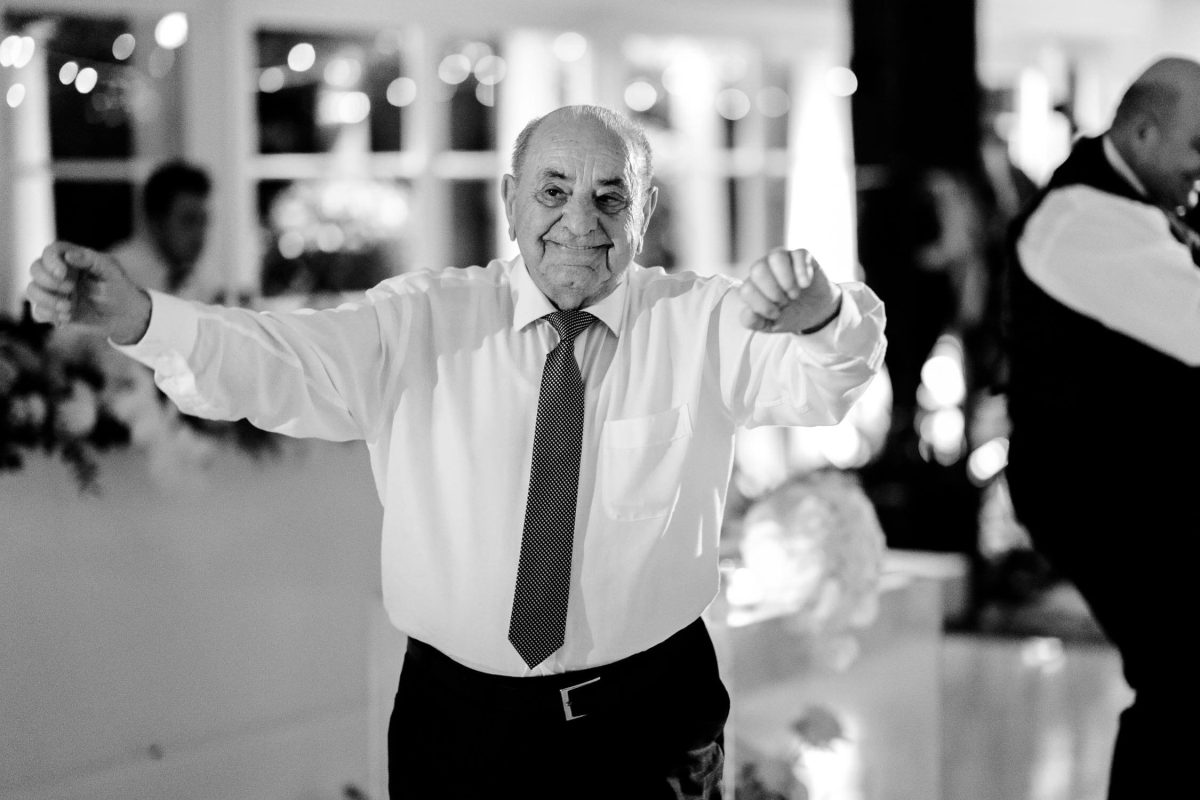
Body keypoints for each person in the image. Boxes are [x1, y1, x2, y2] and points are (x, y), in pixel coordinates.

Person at [25, 104, 887, 799]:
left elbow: (828, 382)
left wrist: (819, 316)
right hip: (460, 723)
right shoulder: (422, 321)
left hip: (652, 722)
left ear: (646, 210)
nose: (579, 221)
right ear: (510, 199)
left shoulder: (701, 323)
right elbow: (277, 362)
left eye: (610, 197)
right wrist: (142, 320)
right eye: (553, 191)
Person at [1004, 56, 1200, 799]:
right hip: (1097, 490)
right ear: (1143, 133)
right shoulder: (1080, 219)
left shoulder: (1139, 202)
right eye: (1197, 146)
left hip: (1148, 478)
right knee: (1182, 676)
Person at [107, 159, 216, 301]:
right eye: (188, 220)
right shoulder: (117, 274)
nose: (199, 233)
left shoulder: (198, 280)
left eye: (203, 221)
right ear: (157, 223)